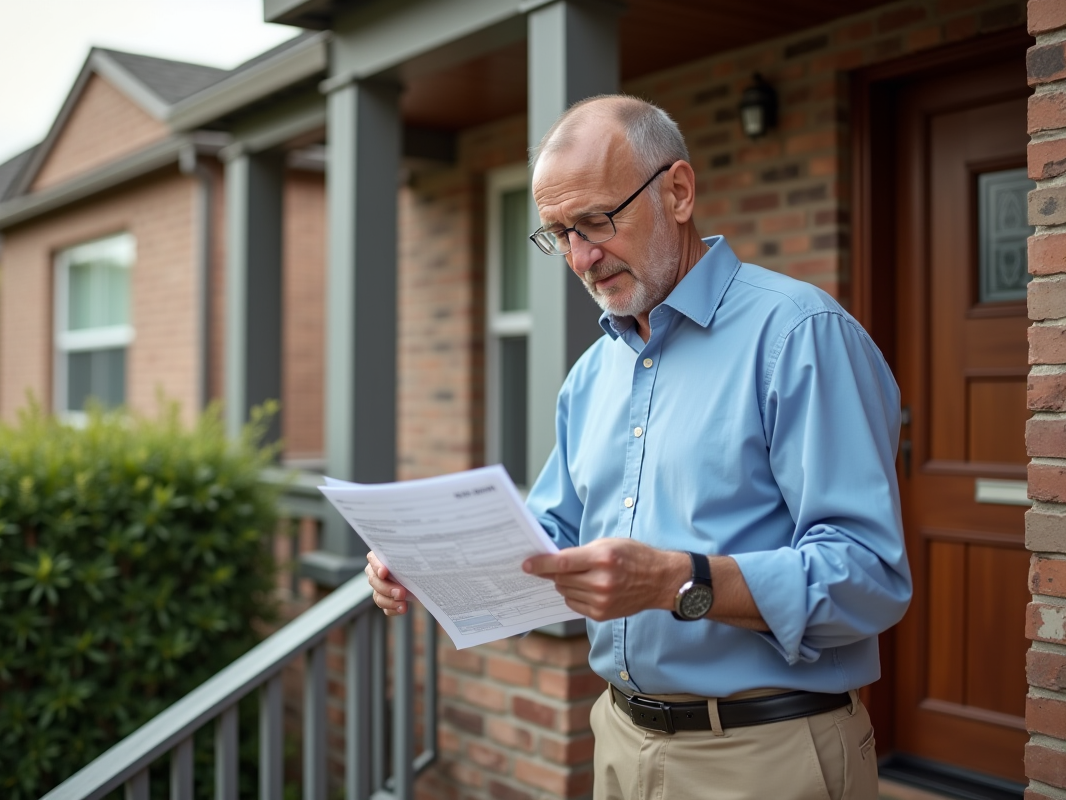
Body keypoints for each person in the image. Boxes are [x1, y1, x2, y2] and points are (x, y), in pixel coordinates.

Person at [365, 94, 911, 800]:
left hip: (768, 754)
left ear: (678, 192)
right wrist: (434, 564)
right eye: (559, 235)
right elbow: (553, 538)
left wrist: (676, 581)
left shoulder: (800, 335)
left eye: (597, 221)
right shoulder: (591, 374)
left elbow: (868, 576)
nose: (581, 257)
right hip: (619, 742)